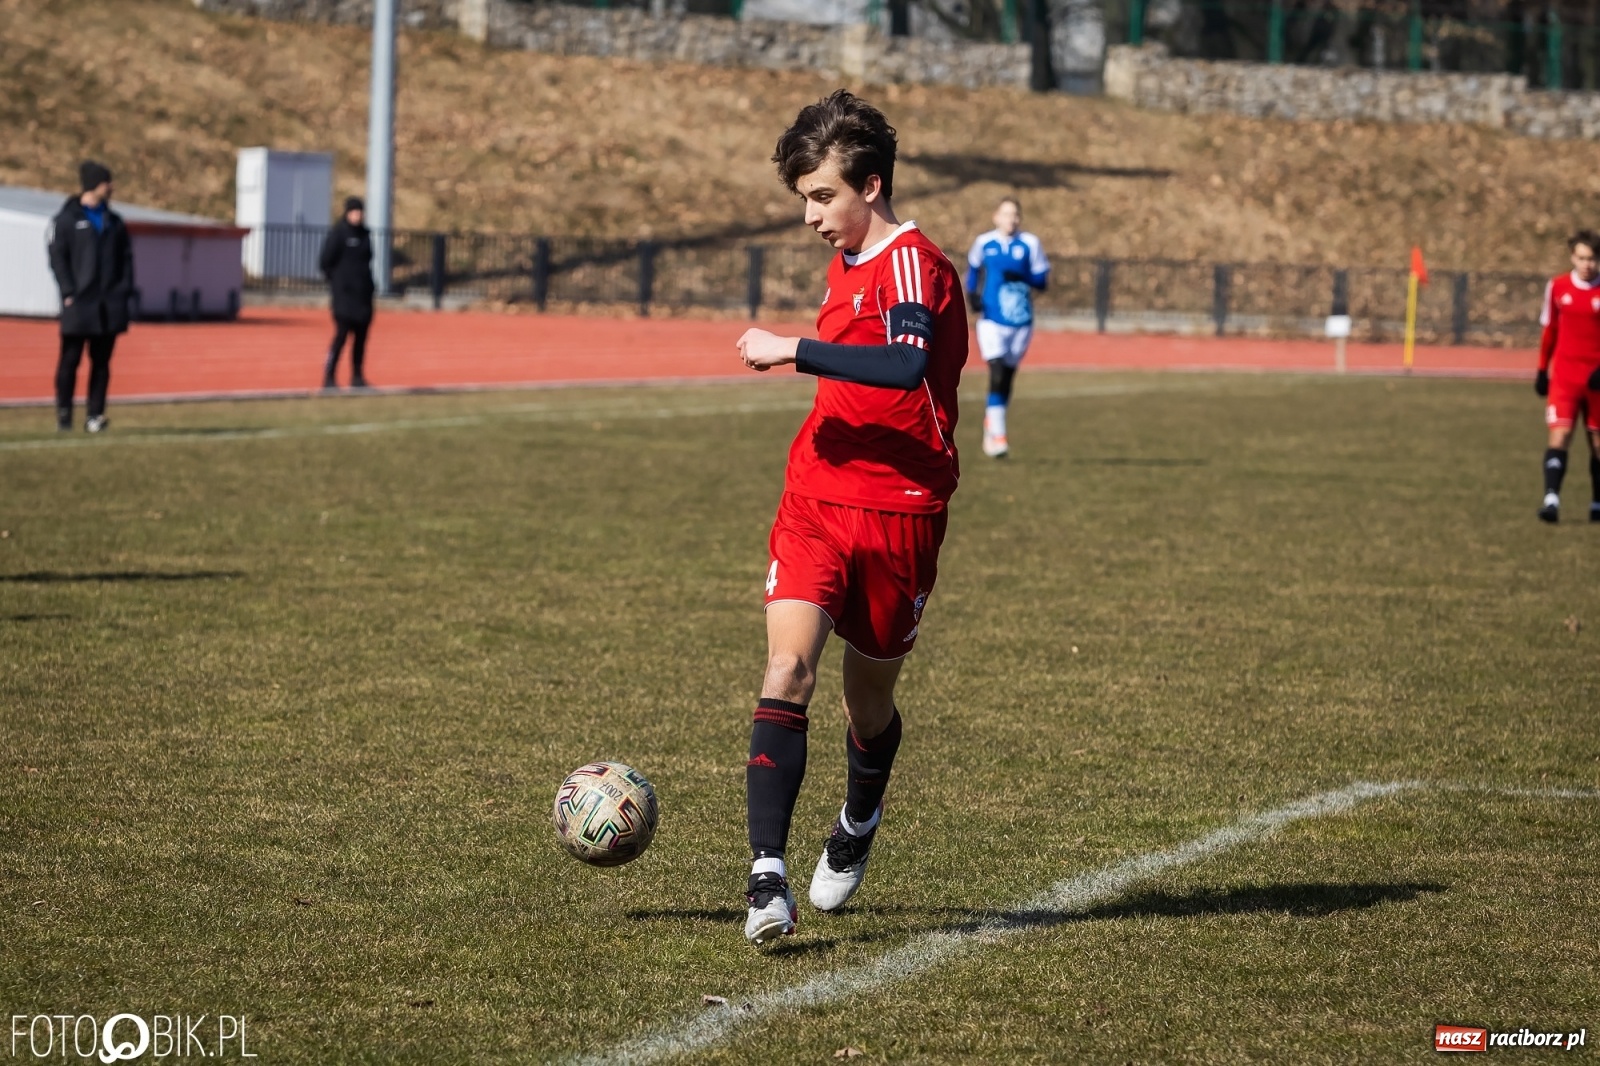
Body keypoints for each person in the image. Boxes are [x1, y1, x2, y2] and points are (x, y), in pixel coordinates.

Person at [733, 90, 967, 947]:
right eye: (803, 198)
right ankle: (767, 880)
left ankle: (859, 818)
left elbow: (906, 366)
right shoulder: (849, 263)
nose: (810, 216)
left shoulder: (915, 264)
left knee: (867, 707)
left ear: (870, 185)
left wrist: (792, 347)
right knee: (786, 670)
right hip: (816, 501)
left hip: (900, 514)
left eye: (822, 196)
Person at [48, 161, 134, 433]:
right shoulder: (67, 220)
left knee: (101, 363)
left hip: (108, 305)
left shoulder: (115, 222)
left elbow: (126, 260)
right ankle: (64, 415)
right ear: (95, 184)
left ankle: (94, 416)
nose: (111, 187)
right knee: (70, 360)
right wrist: (68, 291)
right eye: (107, 182)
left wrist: (123, 290)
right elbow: (58, 258)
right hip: (79, 304)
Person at [965, 197, 1050, 459]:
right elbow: (973, 271)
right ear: (996, 217)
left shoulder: (1030, 244)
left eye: (1015, 215)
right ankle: (999, 435)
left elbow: (1042, 281)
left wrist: (1022, 276)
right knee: (997, 370)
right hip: (992, 319)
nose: (1010, 219)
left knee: (1008, 377)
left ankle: (993, 420)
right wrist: (972, 296)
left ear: (1019, 219)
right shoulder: (984, 243)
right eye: (1006, 214)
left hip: (1021, 320)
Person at [1533, 230, 1600, 523]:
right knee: (1559, 436)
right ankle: (1551, 501)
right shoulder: (1558, 287)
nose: (1587, 264)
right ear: (1573, 257)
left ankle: (1597, 502)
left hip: (1598, 379)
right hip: (1565, 377)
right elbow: (1550, 331)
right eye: (1582, 258)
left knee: (1597, 445)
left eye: (1593, 258)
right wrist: (1541, 369)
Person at [318, 196, 375, 390]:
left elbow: (367, 261)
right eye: (354, 212)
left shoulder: (366, 235)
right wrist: (338, 283)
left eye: (360, 211)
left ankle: (357, 377)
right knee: (341, 337)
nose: (357, 215)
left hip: (363, 297)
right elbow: (325, 262)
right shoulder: (338, 234)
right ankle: (329, 376)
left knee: (361, 339)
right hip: (344, 298)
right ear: (347, 213)